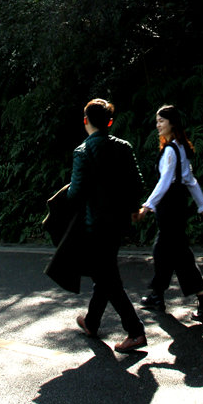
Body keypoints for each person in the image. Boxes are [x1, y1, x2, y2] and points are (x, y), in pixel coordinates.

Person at [66, 98, 147, 353]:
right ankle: (91, 322)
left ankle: (135, 331)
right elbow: (138, 183)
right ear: (110, 122)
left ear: (85, 121)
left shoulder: (83, 152)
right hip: (118, 223)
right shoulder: (124, 147)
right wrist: (133, 208)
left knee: (108, 278)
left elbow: (75, 194)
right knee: (104, 272)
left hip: (94, 224)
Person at [137, 104, 203, 321]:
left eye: (161, 121)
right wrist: (202, 207)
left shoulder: (171, 150)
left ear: (172, 123)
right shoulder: (179, 147)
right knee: (165, 251)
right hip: (177, 206)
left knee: (176, 254)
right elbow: (190, 181)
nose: (158, 125)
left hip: (169, 206)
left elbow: (165, 181)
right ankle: (158, 295)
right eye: (157, 121)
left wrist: (147, 205)